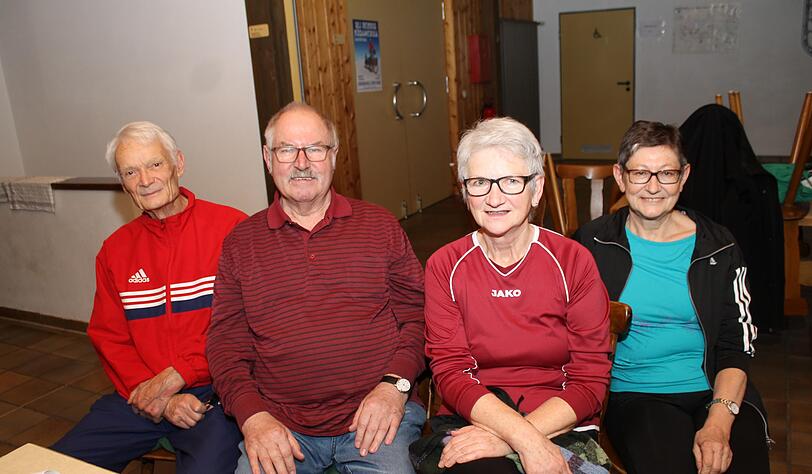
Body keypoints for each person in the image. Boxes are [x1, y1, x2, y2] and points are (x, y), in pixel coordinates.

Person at [205, 102, 426, 474]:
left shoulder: (379, 226)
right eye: (287, 149)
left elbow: (420, 318)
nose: (302, 162)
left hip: (377, 412)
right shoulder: (241, 243)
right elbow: (225, 344)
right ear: (268, 158)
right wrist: (253, 417)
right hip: (282, 424)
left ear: (334, 156)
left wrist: (394, 388)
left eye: (316, 149)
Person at [574, 120, 771, 474]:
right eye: (640, 173)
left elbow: (736, 345)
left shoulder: (719, 245)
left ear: (684, 176)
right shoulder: (591, 244)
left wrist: (718, 423)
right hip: (636, 394)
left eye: (666, 173)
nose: (653, 187)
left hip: (715, 387)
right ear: (620, 177)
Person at [51, 121, 247, 473]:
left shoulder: (231, 229)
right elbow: (109, 338)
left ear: (179, 164)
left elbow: (245, 326)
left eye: (155, 164)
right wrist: (160, 396)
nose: (145, 179)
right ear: (122, 183)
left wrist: (182, 373)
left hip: (218, 393)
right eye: (130, 171)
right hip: (140, 392)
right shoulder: (115, 250)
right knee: (55, 465)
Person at [422, 117, 612, 474]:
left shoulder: (573, 261)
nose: (494, 198)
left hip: (560, 422)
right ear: (464, 191)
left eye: (511, 181)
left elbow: (590, 380)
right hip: (474, 419)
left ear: (536, 188)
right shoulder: (444, 266)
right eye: (479, 183)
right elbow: (450, 373)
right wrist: (520, 438)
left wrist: (512, 437)